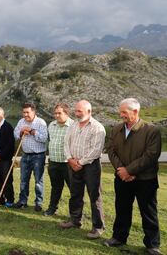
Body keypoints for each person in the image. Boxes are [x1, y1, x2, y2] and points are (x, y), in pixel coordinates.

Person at [105, 98, 162, 255]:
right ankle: (118, 237)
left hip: (145, 180)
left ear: (135, 111)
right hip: (122, 179)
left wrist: (129, 171)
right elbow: (111, 150)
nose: (120, 114)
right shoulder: (116, 128)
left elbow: (151, 156)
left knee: (148, 212)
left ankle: (152, 245)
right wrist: (121, 170)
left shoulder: (152, 130)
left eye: (124, 112)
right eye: (120, 111)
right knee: (122, 209)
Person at [59, 100, 106, 240]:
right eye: (76, 110)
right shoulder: (73, 125)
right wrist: (70, 159)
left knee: (94, 196)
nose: (76, 113)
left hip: (90, 165)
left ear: (89, 111)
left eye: (80, 111)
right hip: (73, 163)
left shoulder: (98, 128)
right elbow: (66, 142)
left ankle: (98, 227)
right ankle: (75, 220)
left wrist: (80, 162)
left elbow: (96, 150)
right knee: (75, 193)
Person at [13, 103, 48, 212]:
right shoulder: (21, 122)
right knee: (23, 180)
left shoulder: (41, 122)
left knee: (38, 180)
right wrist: (21, 131)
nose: (25, 114)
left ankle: (38, 202)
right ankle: (23, 201)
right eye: (24, 112)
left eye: (27, 112)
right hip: (25, 155)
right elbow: (15, 135)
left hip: (38, 155)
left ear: (34, 112)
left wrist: (32, 132)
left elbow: (44, 138)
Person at [44, 103, 74, 216]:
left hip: (68, 163)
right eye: (55, 113)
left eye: (59, 113)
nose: (56, 115)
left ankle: (74, 213)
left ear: (66, 113)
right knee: (55, 187)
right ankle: (52, 209)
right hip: (53, 162)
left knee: (73, 189)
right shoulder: (51, 125)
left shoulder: (74, 125)